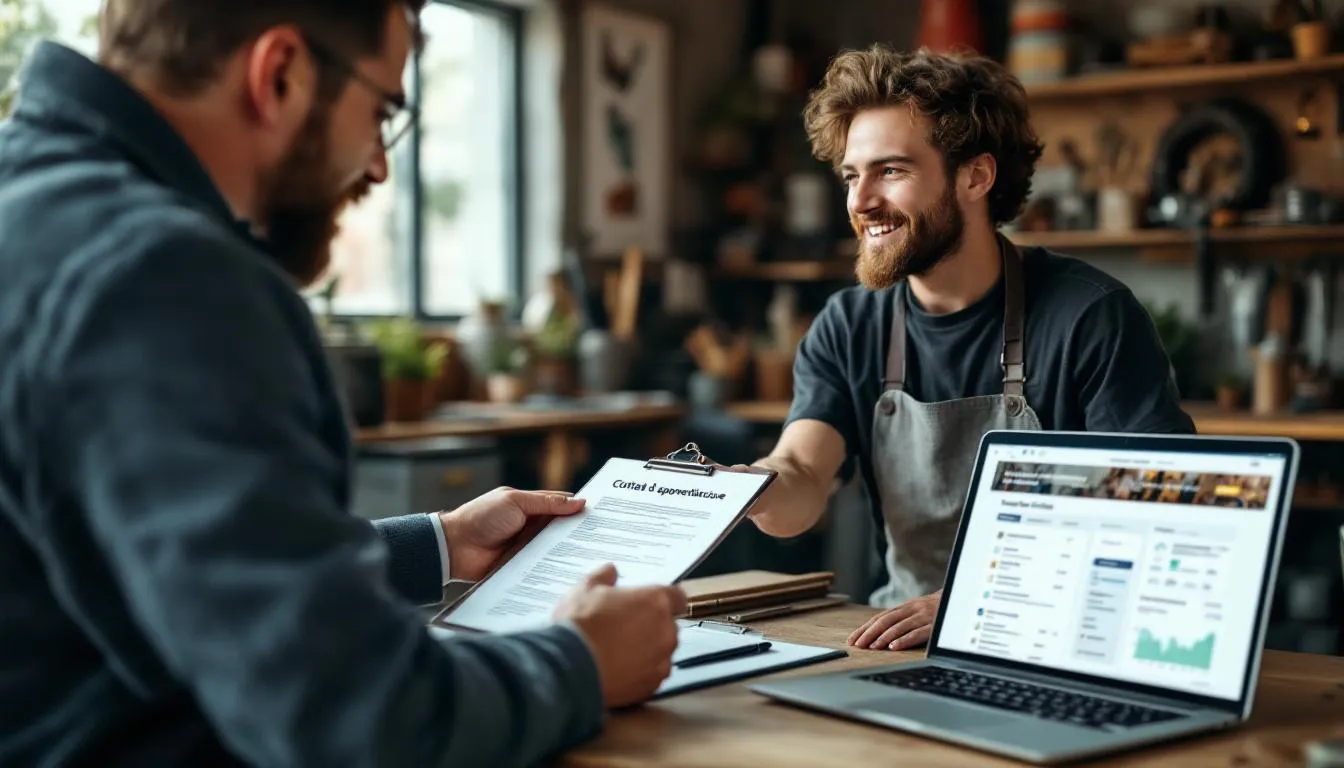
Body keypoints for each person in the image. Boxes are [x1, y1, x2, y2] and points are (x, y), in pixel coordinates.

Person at [0, 2, 685, 766]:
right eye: (382, 109)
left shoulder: (33, 208)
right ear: (281, 74)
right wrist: (580, 660)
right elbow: (360, 720)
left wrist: (438, 544)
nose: (380, 164)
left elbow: (161, 570)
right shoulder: (161, 276)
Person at [739, 46, 1195, 653]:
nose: (859, 200)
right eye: (853, 174)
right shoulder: (849, 325)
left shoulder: (1090, 316)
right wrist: (746, 486)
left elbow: (1156, 515)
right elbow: (799, 478)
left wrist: (985, 596)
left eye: (891, 171)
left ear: (975, 177)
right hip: (899, 640)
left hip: (1061, 638)